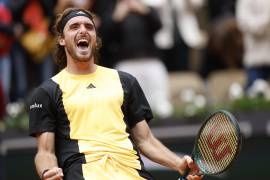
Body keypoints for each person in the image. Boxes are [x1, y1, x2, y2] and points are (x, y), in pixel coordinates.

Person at [28, 8, 202, 180]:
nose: (83, 30)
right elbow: (45, 152)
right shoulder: (47, 91)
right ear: (61, 40)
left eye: (89, 27)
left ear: (96, 40)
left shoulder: (125, 81)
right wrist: (48, 171)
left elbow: (145, 140)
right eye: (74, 27)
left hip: (133, 173)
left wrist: (178, 163)